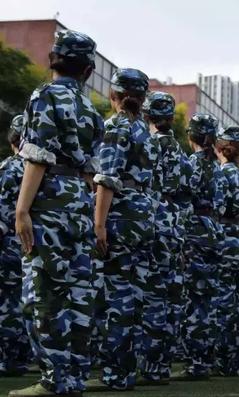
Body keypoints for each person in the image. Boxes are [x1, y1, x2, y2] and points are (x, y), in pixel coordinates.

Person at [10, 29, 103, 397]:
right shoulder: (90, 108)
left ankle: (54, 379)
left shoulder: (45, 95)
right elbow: (90, 168)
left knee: (42, 292)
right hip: (79, 199)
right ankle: (75, 377)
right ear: (88, 70)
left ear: (53, 60)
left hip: (48, 200)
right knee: (79, 292)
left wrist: (22, 208)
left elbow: (37, 155)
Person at [88, 68, 157, 392]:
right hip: (143, 217)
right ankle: (127, 371)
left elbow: (107, 179)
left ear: (114, 95)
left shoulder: (116, 126)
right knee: (134, 297)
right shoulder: (145, 130)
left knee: (114, 298)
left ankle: (116, 374)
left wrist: (99, 224)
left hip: (120, 216)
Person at [172, 113, 226, 381]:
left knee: (194, 299)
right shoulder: (218, 166)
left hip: (195, 231)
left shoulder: (191, 163)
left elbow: (182, 197)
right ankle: (206, 359)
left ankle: (196, 363)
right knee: (207, 298)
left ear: (190, 135)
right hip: (214, 231)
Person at [141, 92, 192, 382]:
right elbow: (187, 196)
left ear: (148, 115)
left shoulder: (147, 145)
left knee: (148, 295)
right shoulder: (183, 156)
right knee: (171, 297)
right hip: (175, 227)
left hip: (150, 221)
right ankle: (160, 366)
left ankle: (147, 366)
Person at [213, 125, 239, 377]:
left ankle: (220, 359)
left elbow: (217, 206)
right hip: (238, 238)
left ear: (220, 149)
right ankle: (233, 359)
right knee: (234, 300)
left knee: (220, 300)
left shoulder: (222, 174)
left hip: (223, 236)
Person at [0, 116, 30, 378]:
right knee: (26, 301)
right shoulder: (40, 168)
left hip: (9, 243)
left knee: (8, 303)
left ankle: (10, 360)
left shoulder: (9, 169)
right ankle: (23, 356)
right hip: (34, 245)